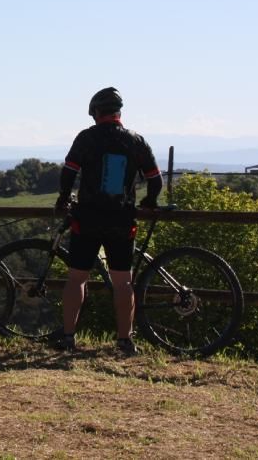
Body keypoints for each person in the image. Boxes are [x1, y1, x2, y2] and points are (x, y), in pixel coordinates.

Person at [54, 87, 162, 355]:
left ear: (96, 113)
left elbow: (68, 173)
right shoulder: (136, 141)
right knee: (123, 281)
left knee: (77, 278)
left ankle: (68, 337)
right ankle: (124, 341)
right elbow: (155, 180)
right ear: (118, 113)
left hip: (87, 217)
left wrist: (64, 198)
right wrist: (149, 202)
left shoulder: (86, 138)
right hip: (121, 218)